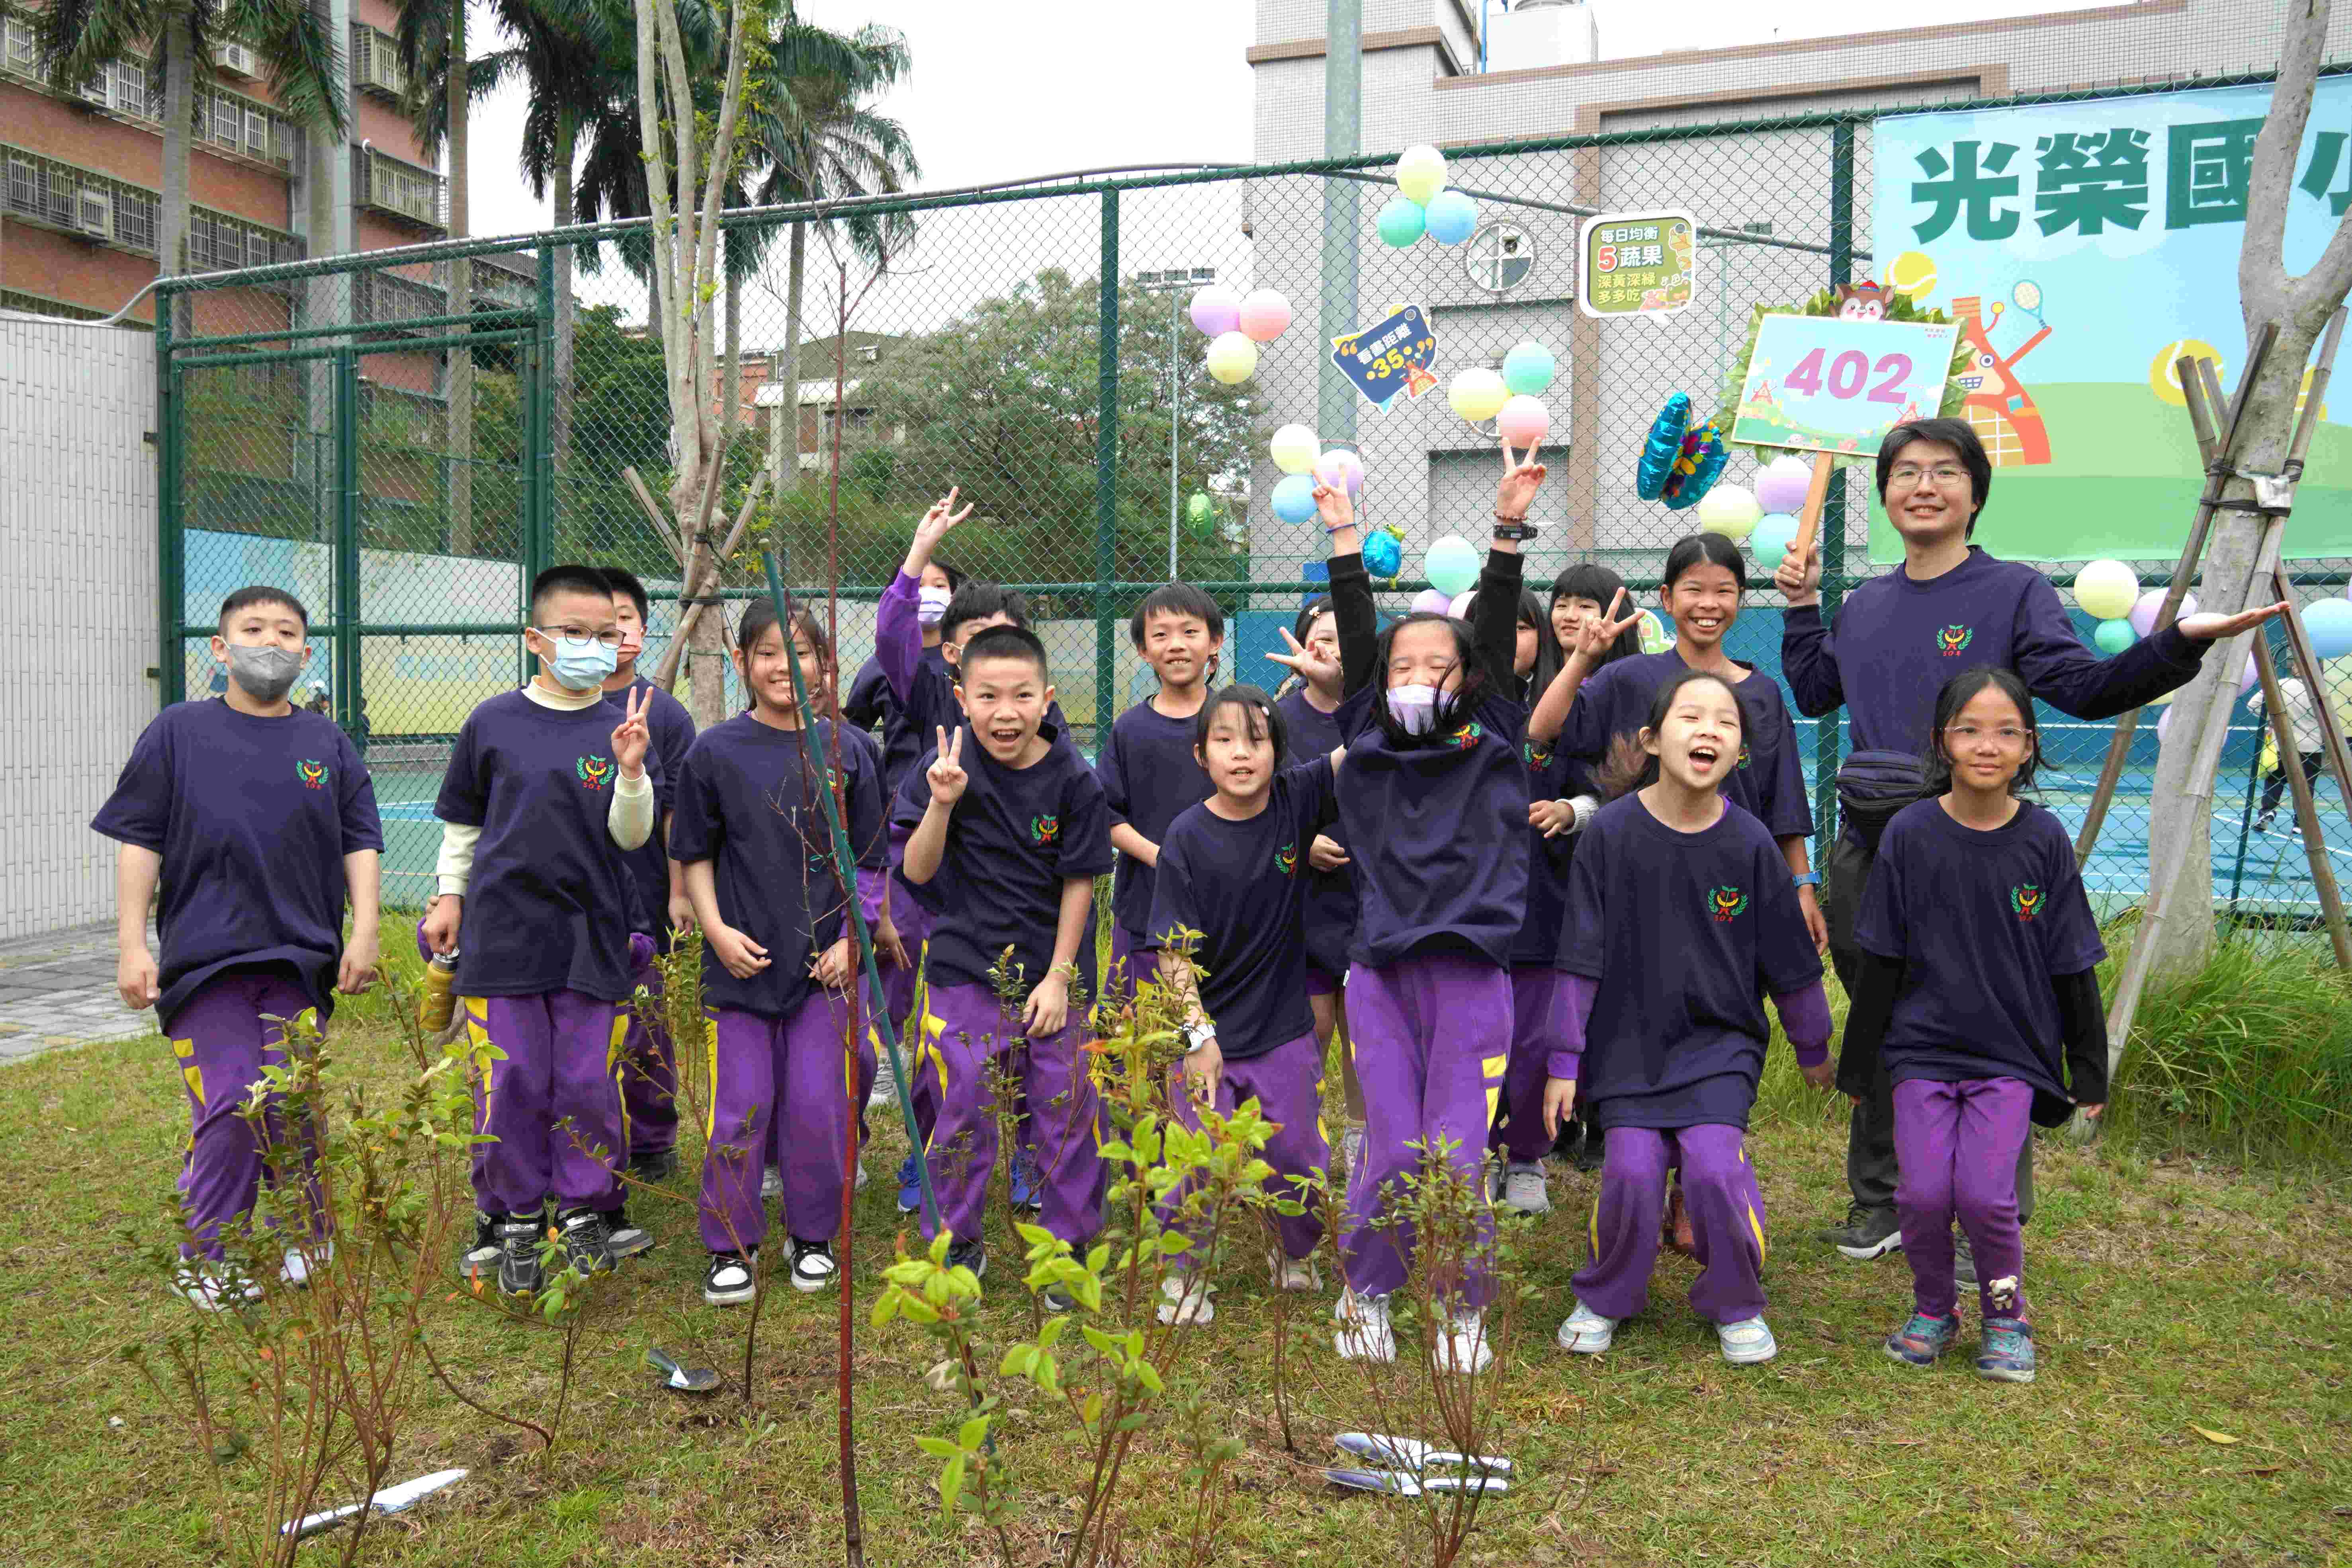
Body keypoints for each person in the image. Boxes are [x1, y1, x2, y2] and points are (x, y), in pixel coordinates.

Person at [1776, 417, 2284, 1263]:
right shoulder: (1864, 604)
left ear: (1975, 493)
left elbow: (2082, 688)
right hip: (1872, 848)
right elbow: (1813, 688)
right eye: (1905, 472)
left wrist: (2176, 647)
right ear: (1885, 494)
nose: (1923, 485)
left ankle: (1990, 1209)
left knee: (1984, 1017)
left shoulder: (2011, 591)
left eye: (1944, 471)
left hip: (1975, 846)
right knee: (1880, 1019)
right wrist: (1798, 610)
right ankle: (1881, 1201)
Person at [1304, 440, 1543, 1376]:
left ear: (1469, 675)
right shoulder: (1364, 730)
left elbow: (1486, 633)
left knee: (1452, 1157)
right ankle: (1363, 1289)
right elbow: (1362, 640)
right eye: (1400, 661)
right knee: (1390, 1150)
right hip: (1380, 969)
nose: (1414, 672)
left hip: (1473, 969)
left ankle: (1456, 1304)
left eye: (1434, 661)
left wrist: (1505, 532)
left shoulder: (1493, 726)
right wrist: (1342, 537)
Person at [94, 587, 383, 1310]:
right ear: (219, 648)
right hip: (206, 963)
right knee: (230, 1101)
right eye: (252, 629)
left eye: (287, 632)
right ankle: (207, 1252)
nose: (271, 643)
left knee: (290, 1099)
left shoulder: (327, 743)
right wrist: (132, 944)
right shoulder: (177, 732)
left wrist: (367, 927)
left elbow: (361, 838)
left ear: (307, 653)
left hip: (300, 960)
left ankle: (306, 1234)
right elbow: (140, 840)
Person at [1544, 668, 1835, 1366]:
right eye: (1689, 716)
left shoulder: (1752, 845)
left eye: (1725, 723)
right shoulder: (1609, 835)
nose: (1707, 730)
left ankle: (1734, 1298)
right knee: (1633, 1171)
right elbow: (1578, 956)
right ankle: (1607, 1292)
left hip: (1719, 1045)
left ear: (1740, 753)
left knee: (1709, 1167)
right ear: (1651, 739)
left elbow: (1790, 965)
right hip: (1626, 1047)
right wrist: (1563, 1061)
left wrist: (1815, 1047)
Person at [1838, 667, 2109, 1384]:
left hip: (2010, 1057)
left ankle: (2005, 1315)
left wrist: (2088, 1065)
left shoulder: (2043, 839)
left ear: (2028, 746)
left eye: (2005, 731)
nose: (1986, 744)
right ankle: (1934, 1309)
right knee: (1922, 1196)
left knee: (1989, 1197)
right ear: (1941, 742)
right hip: (1921, 1052)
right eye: (1968, 728)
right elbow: (1882, 960)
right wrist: (1859, 1064)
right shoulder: (1909, 833)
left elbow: (2071, 961)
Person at [423, 565, 657, 1295]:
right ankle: (513, 1211)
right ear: (535, 639)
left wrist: (630, 772)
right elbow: (464, 825)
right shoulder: (491, 722)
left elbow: (632, 835)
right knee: (512, 1074)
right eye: (573, 632)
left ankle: (587, 1204)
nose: (592, 645)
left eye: (606, 634)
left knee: (587, 1075)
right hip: (502, 934)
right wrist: (448, 896)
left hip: (593, 933)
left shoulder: (621, 726)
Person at [670, 600, 886, 1304]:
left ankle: (814, 1235)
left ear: (826, 664)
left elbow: (873, 860)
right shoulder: (714, 752)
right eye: (766, 651)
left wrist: (854, 940)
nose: (783, 665)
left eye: (800, 650)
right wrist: (715, 929)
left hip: (824, 971)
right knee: (740, 1106)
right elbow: (694, 853)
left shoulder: (847, 750)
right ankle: (729, 1244)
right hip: (743, 966)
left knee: (818, 1106)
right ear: (741, 663)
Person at [892, 626, 1115, 1294]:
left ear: (1047, 698)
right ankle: (956, 1243)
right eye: (988, 695)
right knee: (961, 1101)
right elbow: (915, 867)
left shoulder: (1075, 779)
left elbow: (1081, 881)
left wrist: (1058, 976)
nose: (1006, 711)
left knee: (1066, 1107)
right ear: (963, 699)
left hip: (1053, 976)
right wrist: (941, 801)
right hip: (964, 972)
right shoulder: (943, 770)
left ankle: (1066, 1250)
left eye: (1022, 695)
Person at [876, 491, 1071, 1215]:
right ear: (954, 655)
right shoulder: (927, 686)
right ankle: (932, 1160)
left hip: (1017, 903)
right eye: (981, 639)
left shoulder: (1047, 733)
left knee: (1028, 1048)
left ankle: (1027, 1158)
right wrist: (917, 558)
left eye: (1012, 639)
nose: (1001, 661)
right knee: (949, 1049)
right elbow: (895, 635)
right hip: (934, 877)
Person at [1531, 533, 1825, 954]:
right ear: (1667, 598)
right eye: (1694, 590)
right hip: (1639, 877)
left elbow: (1784, 803)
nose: (1709, 604)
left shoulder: (1762, 694)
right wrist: (1582, 658)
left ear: (1741, 599)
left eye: (1724, 591)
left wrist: (1803, 887)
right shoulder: (1629, 678)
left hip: (1730, 882)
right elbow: (1543, 730)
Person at [1146, 684, 1340, 1323]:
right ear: (1201, 753)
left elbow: (1362, 746)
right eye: (1224, 739)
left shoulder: (1295, 800)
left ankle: (1294, 1252)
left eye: (1257, 739)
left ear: (1278, 753)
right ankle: (1185, 1271)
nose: (1241, 753)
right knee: (1194, 1159)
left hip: (1283, 1027)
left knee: (1295, 1156)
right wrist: (1197, 1035)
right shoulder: (1184, 836)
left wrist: (1335, 683)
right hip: (1208, 1033)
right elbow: (1172, 952)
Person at [600, 568, 698, 1196]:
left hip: (642, 903)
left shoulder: (666, 715)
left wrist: (679, 890)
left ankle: (654, 1137)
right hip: (572, 902)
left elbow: (677, 815)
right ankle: (589, 1139)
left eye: (622, 621)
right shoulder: (542, 708)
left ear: (642, 630)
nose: (608, 634)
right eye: (589, 625)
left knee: (645, 1024)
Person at [1542, 563, 1639, 1174]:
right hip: (1543, 863)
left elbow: (1629, 785)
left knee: (1607, 987)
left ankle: (1606, 1117)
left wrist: (1577, 811)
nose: (1570, 616)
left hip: (1605, 857)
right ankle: (1558, 1116)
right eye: (1561, 602)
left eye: (1586, 604)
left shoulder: (1629, 686)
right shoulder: (1542, 683)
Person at [1272, 597, 1364, 1166]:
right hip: (1300, 896)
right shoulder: (1279, 718)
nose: (1330, 649)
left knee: (1362, 1025)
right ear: (1302, 646)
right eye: (1320, 637)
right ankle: (1303, 1140)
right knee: (1316, 1023)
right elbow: (1261, 799)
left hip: (1367, 892)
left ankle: (1361, 1138)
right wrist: (1301, 845)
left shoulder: (1377, 715)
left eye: (1343, 637)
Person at [1099, 583, 1224, 999]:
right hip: (1145, 911)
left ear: (1214, 641)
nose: (1176, 645)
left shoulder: (1237, 722)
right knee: (1135, 1042)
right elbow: (1108, 816)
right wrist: (1163, 858)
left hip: (1224, 908)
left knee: (1213, 1041)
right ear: (1143, 650)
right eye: (1160, 634)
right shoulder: (1129, 729)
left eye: (1190, 632)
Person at [843, 554, 964, 789]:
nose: (928, 593)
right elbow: (853, 729)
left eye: (939, 586)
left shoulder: (967, 660)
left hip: (964, 786)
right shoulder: (881, 665)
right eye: (918, 585)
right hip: (900, 793)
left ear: (953, 595)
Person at [2249, 675, 2329, 832]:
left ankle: (2267, 812)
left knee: (2275, 780)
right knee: (2306, 786)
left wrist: (2274, 719)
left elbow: (2253, 705)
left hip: (2283, 743)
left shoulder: (2280, 684)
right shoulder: (2321, 689)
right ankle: (2301, 823)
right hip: (2311, 746)